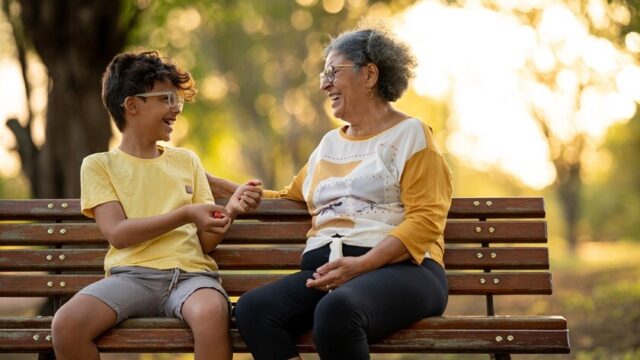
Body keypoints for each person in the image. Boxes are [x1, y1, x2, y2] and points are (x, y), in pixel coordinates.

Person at [227, 27, 453, 359]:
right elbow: (290, 197)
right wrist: (207, 181)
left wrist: (362, 265)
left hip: (406, 272)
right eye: (324, 74)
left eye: (333, 72)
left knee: (336, 312)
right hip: (329, 274)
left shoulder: (411, 136)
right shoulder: (328, 145)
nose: (323, 84)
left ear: (370, 74)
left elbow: (426, 221)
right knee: (254, 309)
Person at [50, 50, 262, 360]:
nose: (176, 108)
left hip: (191, 277)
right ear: (132, 106)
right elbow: (118, 234)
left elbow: (204, 243)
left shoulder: (186, 160)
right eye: (166, 99)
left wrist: (228, 211)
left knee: (211, 313)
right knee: (66, 326)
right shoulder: (99, 165)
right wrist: (186, 213)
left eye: (177, 100)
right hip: (131, 277)